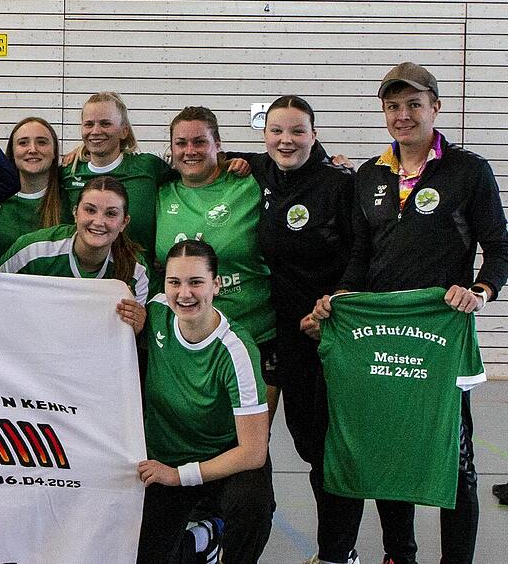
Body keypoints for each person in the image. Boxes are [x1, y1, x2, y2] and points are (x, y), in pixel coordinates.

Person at [310, 62, 508, 564]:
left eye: (414, 104)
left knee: (454, 459)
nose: (403, 115)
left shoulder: (468, 171)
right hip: (379, 336)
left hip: (439, 337)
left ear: (435, 108)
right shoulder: (369, 175)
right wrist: (339, 300)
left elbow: (499, 248)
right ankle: (400, 554)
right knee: (390, 447)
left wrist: (481, 291)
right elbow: (360, 256)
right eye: (393, 106)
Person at [225, 96, 360, 564]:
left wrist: (335, 303)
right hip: (285, 335)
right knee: (304, 443)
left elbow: (363, 253)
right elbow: (200, 154)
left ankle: (337, 553)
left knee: (329, 452)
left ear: (314, 135)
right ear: (264, 136)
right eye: (276, 131)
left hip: (332, 334)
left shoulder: (339, 184)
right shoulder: (263, 170)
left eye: (298, 131)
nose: (286, 140)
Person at [121, 240, 272, 564]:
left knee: (252, 507)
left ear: (216, 285)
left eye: (196, 282)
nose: (184, 293)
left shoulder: (237, 351)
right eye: (174, 282)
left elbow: (253, 451)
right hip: (164, 456)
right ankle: (202, 539)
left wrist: (178, 476)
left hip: (221, 459)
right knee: (139, 551)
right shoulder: (157, 312)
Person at [156, 106, 277, 413]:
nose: (190, 151)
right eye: (181, 143)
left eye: (200, 141)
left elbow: (296, 165)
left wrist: (333, 161)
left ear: (218, 143)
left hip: (254, 336)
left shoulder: (250, 183)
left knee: (252, 437)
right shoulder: (160, 193)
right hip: (187, 344)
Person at [63, 92, 171, 274]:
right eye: (89, 124)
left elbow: (191, 175)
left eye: (105, 124)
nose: (95, 131)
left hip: (141, 280)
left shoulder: (148, 167)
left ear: (124, 131)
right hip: (84, 282)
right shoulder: (68, 173)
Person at [0, 176, 148, 304]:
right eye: (90, 210)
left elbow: (135, 327)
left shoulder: (136, 270)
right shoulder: (34, 250)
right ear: (75, 213)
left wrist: (137, 322)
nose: (98, 222)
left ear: (124, 222)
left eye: (111, 214)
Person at [0, 117, 69, 266]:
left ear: (54, 152)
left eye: (42, 142)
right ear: (13, 153)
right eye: (23, 143)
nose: (32, 149)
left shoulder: (69, 198)